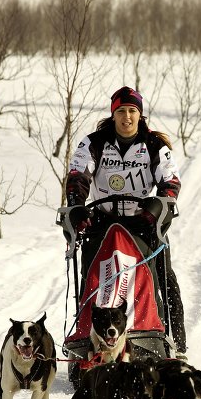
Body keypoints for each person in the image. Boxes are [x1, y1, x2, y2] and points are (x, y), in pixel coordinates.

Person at [65, 86, 186, 358]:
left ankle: (177, 344)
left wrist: (160, 202)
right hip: (103, 221)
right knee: (91, 277)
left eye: (132, 111)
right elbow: (78, 174)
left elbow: (171, 181)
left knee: (163, 278)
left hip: (143, 223)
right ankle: (87, 337)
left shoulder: (154, 145)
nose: (127, 117)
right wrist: (76, 205)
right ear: (113, 114)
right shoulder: (94, 143)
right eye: (121, 111)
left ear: (140, 115)